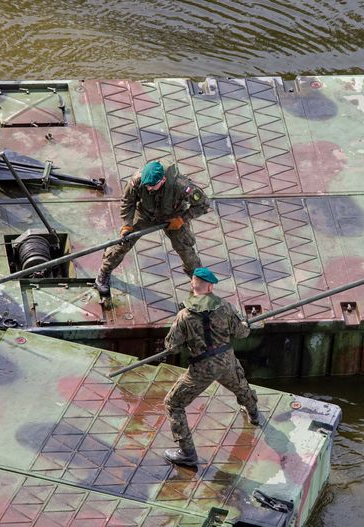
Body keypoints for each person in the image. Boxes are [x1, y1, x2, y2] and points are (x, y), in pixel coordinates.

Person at [162, 267, 261, 466]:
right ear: (210, 287)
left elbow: (172, 347)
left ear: (193, 284)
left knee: (173, 404)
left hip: (201, 369)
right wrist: (245, 324)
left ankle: (187, 453)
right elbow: (241, 333)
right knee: (240, 386)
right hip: (226, 361)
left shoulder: (184, 316)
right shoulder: (225, 307)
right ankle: (253, 414)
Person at [95, 160, 210, 295]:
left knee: (185, 249)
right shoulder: (137, 180)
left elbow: (203, 204)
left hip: (173, 216)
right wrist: (127, 224)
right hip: (145, 214)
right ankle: (104, 271)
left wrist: (182, 219)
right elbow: (128, 202)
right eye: (147, 186)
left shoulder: (181, 185)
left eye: (152, 186)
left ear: (163, 180)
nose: (149, 189)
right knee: (123, 242)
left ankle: (199, 283)